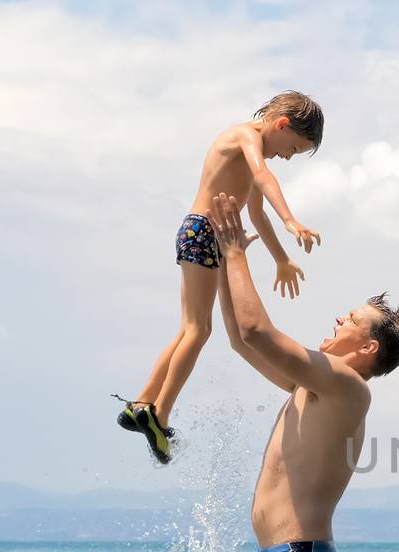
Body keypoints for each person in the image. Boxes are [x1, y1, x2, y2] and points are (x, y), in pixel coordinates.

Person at [207, 191, 399, 552]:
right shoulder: (317, 388)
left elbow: (258, 332)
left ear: (368, 347)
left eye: (352, 319)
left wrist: (236, 253)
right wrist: (222, 263)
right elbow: (240, 339)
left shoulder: (347, 387)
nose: (340, 317)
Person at [115, 91, 325, 464]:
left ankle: (142, 404)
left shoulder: (252, 150)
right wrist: (291, 220)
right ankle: (158, 418)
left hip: (207, 235)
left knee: (189, 329)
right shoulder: (245, 136)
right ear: (281, 125)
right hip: (201, 231)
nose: (284, 156)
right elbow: (263, 176)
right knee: (198, 330)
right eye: (291, 148)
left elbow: (256, 212)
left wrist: (280, 259)